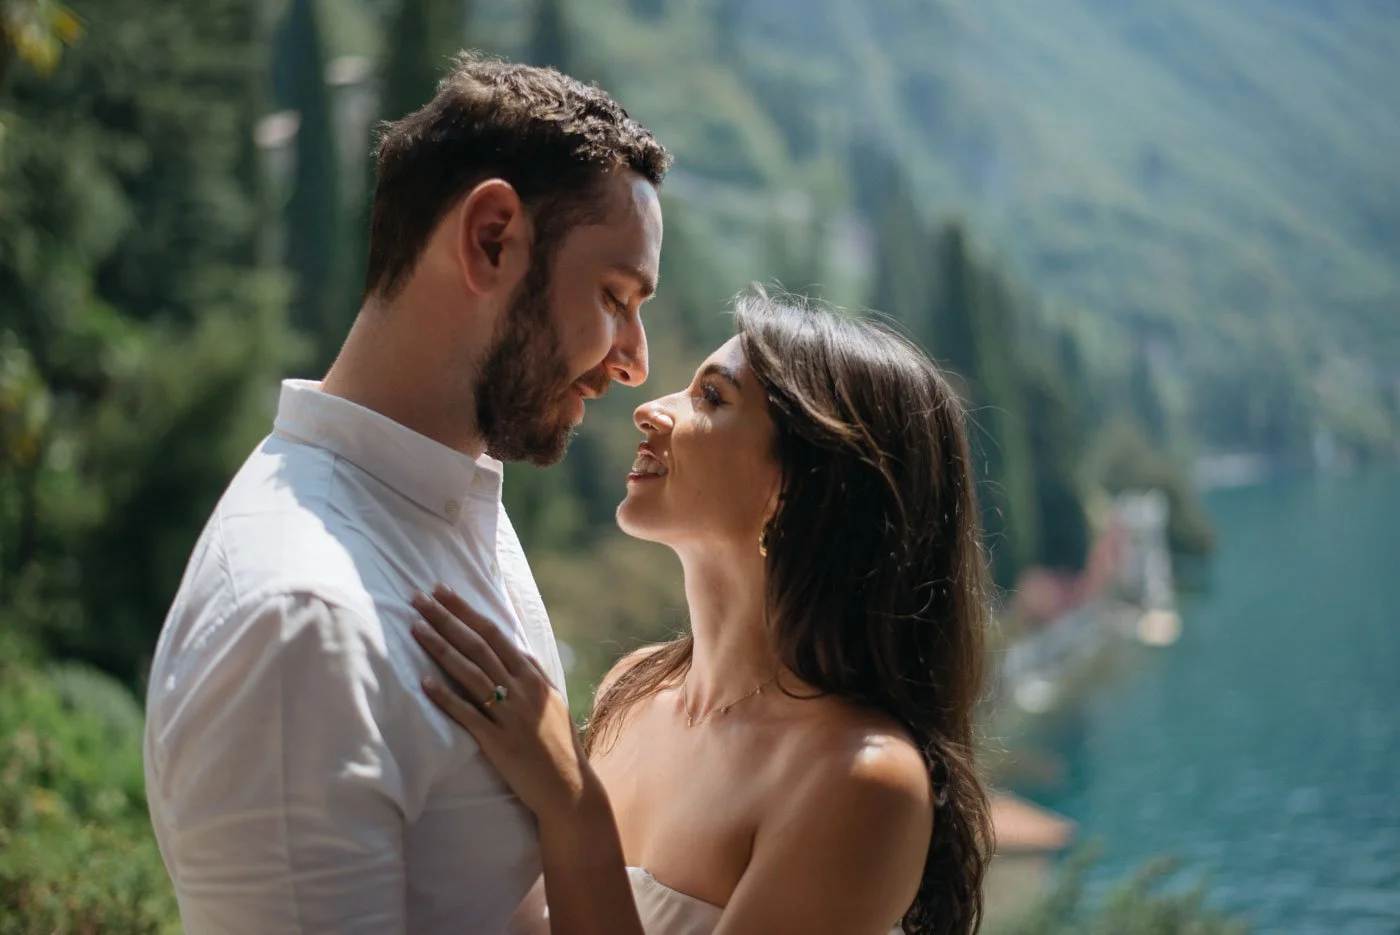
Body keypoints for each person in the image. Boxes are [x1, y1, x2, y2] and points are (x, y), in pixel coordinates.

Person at [142, 54, 669, 935]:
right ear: (491, 237)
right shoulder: (302, 625)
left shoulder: (460, 502)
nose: (635, 361)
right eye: (616, 295)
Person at [410, 290, 995, 935]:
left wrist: (570, 802)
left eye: (710, 398)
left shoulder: (863, 781)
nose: (649, 410)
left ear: (796, 485)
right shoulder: (630, 693)